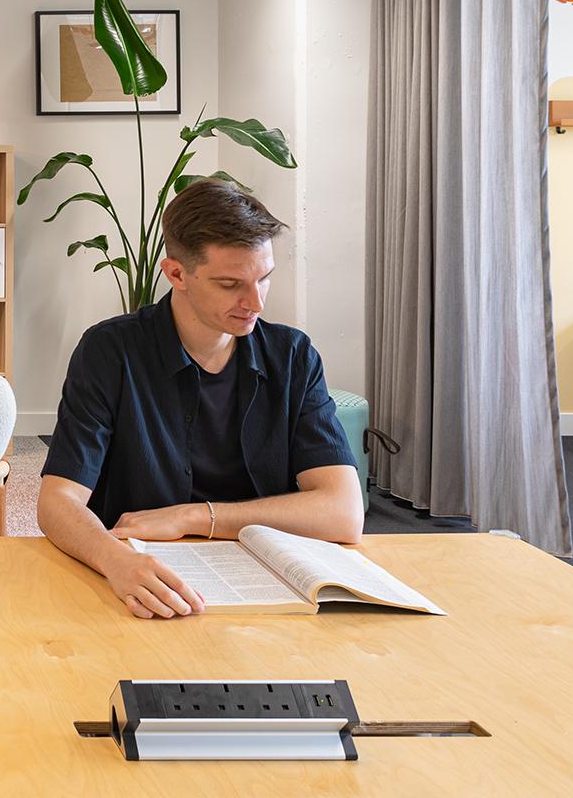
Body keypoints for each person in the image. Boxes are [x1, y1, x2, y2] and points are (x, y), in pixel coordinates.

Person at [37, 178, 361, 620]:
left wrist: (195, 517)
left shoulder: (292, 356)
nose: (256, 302)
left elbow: (343, 512)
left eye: (263, 278)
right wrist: (116, 562)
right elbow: (57, 501)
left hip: (265, 584)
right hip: (138, 578)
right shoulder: (110, 352)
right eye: (230, 284)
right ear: (176, 274)